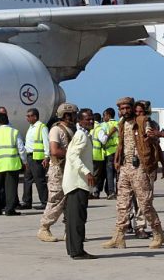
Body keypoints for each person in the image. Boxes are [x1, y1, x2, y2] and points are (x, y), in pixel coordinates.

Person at [101, 97, 164, 250]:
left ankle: (158, 233)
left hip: (140, 168)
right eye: (121, 109)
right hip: (125, 168)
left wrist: (158, 164)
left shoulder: (143, 121)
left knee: (145, 204)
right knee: (122, 204)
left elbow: (154, 142)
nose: (124, 111)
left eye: (127, 108)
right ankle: (119, 236)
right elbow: (121, 144)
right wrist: (117, 159)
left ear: (132, 107)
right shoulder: (122, 123)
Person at [37, 103, 77, 242]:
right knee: (56, 200)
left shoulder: (73, 129)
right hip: (58, 170)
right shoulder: (56, 130)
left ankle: (69, 230)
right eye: (73, 114)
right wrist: (73, 154)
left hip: (69, 170)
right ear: (66, 115)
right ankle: (44, 227)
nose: (75, 116)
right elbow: (54, 150)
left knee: (70, 201)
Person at [63, 108, 97, 260]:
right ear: (80, 121)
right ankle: (77, 251)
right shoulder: (81, 135)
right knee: (77, 218)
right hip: (77, 183)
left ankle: (74, 249)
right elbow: (73, 156)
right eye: (87, 119)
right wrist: (87, 172)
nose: (90, 121)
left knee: (74, 218)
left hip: (75, 183)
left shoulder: (82, 134)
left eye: (91, 119)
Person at [0, 111, 26, 216]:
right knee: (11, 188)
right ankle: (9, 210)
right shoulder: (14, 132)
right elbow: (21, 148)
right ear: (8, 121)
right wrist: (24, 161)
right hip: (12, 164)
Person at [22, 108, 50, 210]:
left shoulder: (41, 127)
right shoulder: (30, 127)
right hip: (29, 157)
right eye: (27, 116)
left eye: (29, 116)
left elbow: (46, 142)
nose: (27, 118)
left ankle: (44, 201)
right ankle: (26, 201)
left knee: (39, 180)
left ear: (35, 117)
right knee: (27, 179)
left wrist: (46, 157)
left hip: (37, 158)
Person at [99, 108, 119, 200]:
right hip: (119, 150)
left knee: (109, 173)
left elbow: (103, 140)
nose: (103, 118)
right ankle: (119, 191)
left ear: (107, 115)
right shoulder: (119, 124)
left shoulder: (104, 125)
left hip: (109, 151)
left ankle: (111, 192)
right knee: (118, 172)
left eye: (104, 115)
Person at [90, 118, 107, 199]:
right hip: (97, 155)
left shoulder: (90, 129)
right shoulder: (99, 129)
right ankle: (94, 192)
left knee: (90, 174)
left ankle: (90, 191)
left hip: (90, 155)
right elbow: (103, 140)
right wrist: (108, 135)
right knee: (96, 175)